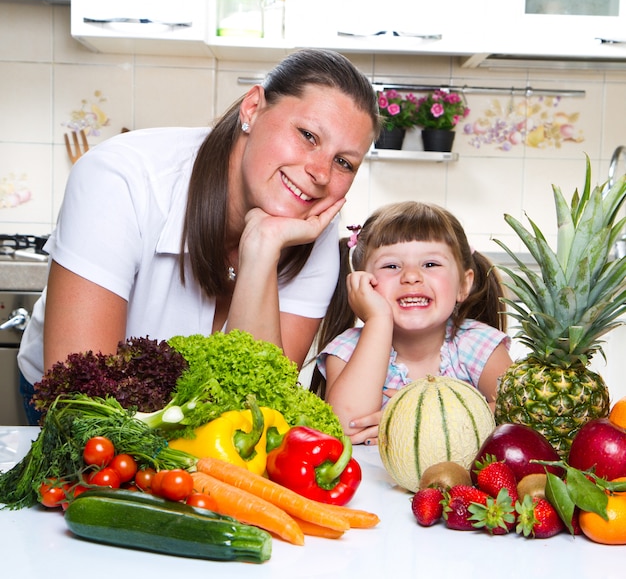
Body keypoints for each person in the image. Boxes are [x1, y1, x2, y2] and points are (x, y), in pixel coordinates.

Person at [17, 48, 380, 425]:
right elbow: (82, 402)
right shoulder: (118, 178)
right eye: (307, 135)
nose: (321, 173)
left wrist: (260, 251)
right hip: (76, 399)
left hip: (198, 418)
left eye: (344, 162)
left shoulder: (314, 229)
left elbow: (260, 405)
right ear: (253, 108)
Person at [312, 201, 513, 445]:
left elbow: (516, 412)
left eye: (430, 264)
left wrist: (422, 421)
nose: (411, 276)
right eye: (391, 266)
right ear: (363, 282)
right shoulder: (347, 350)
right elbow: (347, 427)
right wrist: (378, 320)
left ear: (463, 284)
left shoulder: (477, 345)